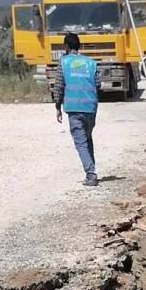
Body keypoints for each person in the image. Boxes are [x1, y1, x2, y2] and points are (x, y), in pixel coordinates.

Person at [53, 33, 99, 187]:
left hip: (73, 108)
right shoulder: (91, 63)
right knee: (87, 138)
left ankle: (91, 174)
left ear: (66, 46)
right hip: (90, 107)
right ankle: (91, 169)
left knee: (80, 141)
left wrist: (57, 107)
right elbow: (98, 84)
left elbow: (59, 86)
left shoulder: (63, 62)